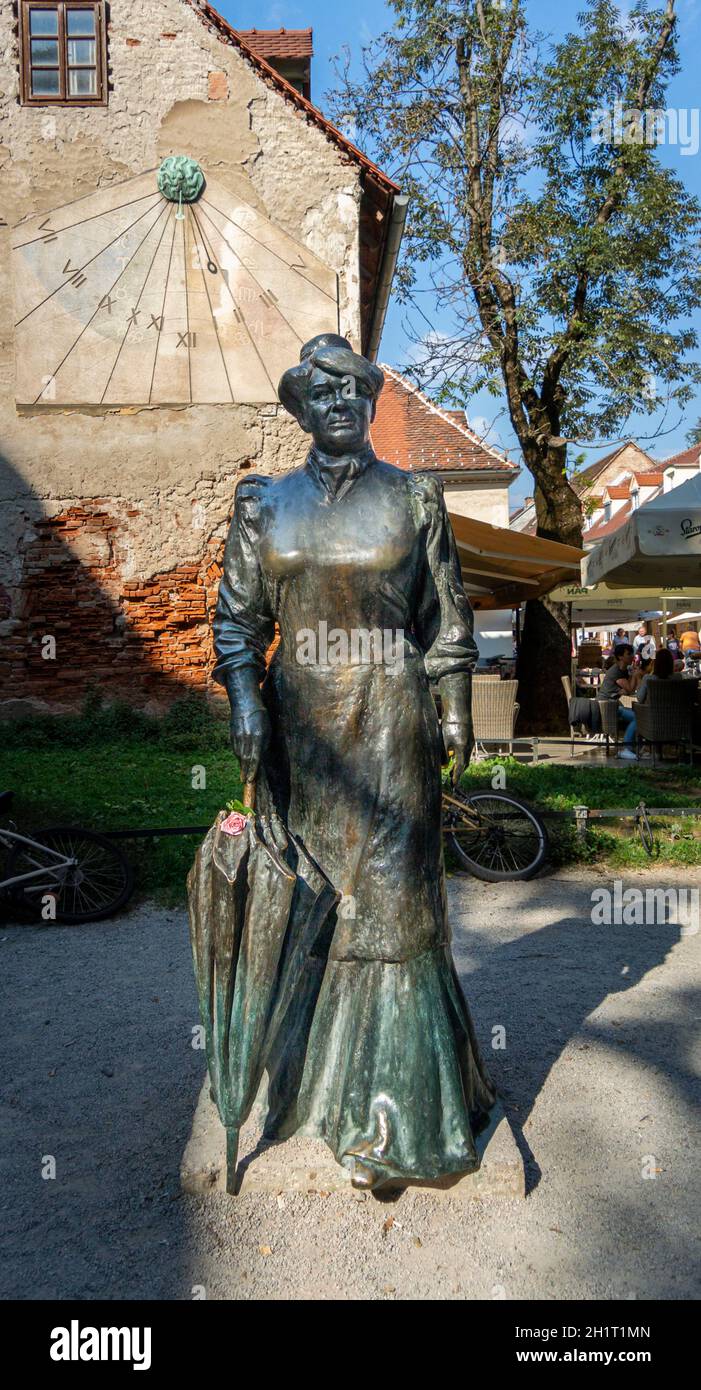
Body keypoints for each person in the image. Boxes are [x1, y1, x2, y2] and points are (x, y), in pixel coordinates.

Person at [211, 333, 495, 1191]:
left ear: (370, 402)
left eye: (352, 387)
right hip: (302, 734)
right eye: (319, 390)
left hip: (391, 722)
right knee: (310, 911)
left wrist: (451, 707)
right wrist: (247, 700)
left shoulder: (415, 498)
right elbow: (237, 624)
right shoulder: (265, 505)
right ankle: (305, 1091)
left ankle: (396, 1113)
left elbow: (447, 620)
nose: (338, 401)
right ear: (299, 406)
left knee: (395, 912)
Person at [598, 643, 638, 759]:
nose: (632, 656)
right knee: (638, 717)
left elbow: (628, 690)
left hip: (612, 704)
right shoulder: (616, 671)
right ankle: (626, 749)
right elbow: (630, 689)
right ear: (620, 657)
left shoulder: (623, 670)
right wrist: (635, 675)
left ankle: (633, 748)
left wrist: (629, 682)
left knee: (637, 714)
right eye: (629, 654)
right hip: (606, 706)